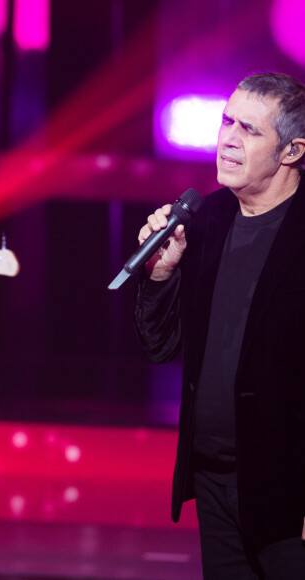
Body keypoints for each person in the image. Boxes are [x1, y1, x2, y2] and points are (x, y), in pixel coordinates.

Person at [133, 72, 305, 579]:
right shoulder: (206, 219)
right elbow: (161, 347)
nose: (227, 138)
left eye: (249, 130)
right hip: (214, 481)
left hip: (290, 496)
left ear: (293, 150)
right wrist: (161, 274)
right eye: (226, 121)